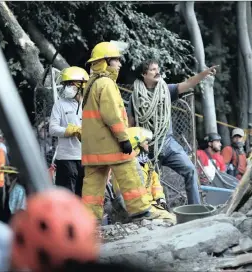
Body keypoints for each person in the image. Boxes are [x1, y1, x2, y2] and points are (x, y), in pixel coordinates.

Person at [81, 41, 155, 222]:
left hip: (92, 148)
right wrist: (124, 139)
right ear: (105, 62)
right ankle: (140, 211)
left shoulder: (91, 84)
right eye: (116, 60)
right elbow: (112, 115)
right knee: (128, 171)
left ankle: (89, 220)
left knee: (92, 186)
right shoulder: (106, 84)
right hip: (111, 145)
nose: (120, 64)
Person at [128, 59, 218, 205]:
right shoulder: (135, 97)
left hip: (168, 143)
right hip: (146, 147)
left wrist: (204, 74)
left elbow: (188, 83)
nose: (157, 72)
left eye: (157, 68)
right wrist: (137, 143)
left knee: (190, 170)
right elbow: (130, 124)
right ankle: (152, 212)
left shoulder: (166, 90)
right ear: (143, 74)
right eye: (152, 69)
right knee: (146, 182)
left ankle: (194, 209)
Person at [49, 66, 88, 196]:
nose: (67, 87)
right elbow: (52, 129)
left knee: (83, 197)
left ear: (81, 85)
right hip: (66, 158)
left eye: (70, 84)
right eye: (65, 84)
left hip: (87, 158)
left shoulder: (90, 104)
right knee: (66, 197)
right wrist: (70, 131)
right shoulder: (60, 104)